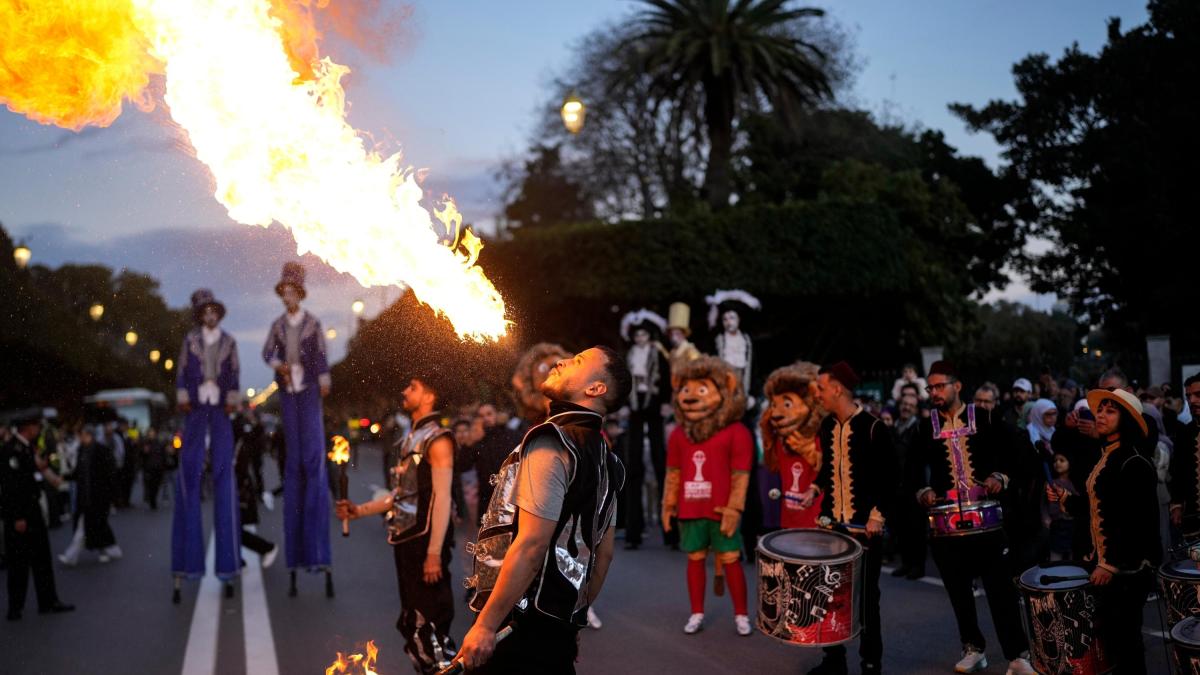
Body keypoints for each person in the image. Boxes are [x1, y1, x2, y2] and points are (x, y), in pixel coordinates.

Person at [456, 346, 629, 673]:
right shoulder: (611, 462)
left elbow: (532, 546)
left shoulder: (552, 440)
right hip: (558, 629)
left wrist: (485, 626)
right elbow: (603, 554)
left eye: (577, 361)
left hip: (521, 625)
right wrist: (572, 623)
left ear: (595, 388)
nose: (561, 361)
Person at [908, 361, 1031, 674]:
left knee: (1000, 591)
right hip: (947, 528)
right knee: (959, 593)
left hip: (987, 523)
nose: (934, 392)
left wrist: (1001, 477)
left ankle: (1018, 656)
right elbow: (908, 467)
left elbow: (1021, 451)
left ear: (957, 385)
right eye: (930, 388)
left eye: (939, 386)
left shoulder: (987, 417)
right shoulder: (924, 427)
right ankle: (973, 648)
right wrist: (922, 489)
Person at [338, 375, 456, 674]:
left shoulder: (438, 439)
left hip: (425, 541)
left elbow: (442, 499)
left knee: (430, 624)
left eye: (413, 387)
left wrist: (434, 552)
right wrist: (358, 510)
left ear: (429, 396)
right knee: (412, 621)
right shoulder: (409, 439)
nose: (404, 391)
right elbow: (399, 495)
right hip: (405, 539)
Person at [1047, 388, 1160, 674]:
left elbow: (1135, 523)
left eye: (1111, 411)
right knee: (1111, 642)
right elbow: (1095, 504)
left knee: (1127, 645)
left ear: (1127, 420)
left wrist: (1110, 565)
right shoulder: (1106, 455)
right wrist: (1064, 498)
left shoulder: (1134, 461)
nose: (1101, 415)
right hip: (1104, 564)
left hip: (1127, 571)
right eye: (1101, 409)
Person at [799, 362, 897, 675]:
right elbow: (828, 466)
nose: (819, 395)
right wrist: (815, 488)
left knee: (867, 601)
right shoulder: (828, 426)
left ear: (838, 389)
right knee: (827, 595)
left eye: (822, 389)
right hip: (833, 527)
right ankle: (834, 660)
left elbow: (890, 479)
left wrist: (877, 517)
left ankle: (870, 664)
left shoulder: (873, 427)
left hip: (865, 530)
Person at [660, 356, 753, 637]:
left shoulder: (737, 432)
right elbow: (673, 472)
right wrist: (668, 506)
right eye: (685, 389)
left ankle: (741, 614)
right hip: (690, 509)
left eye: (701, 389)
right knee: (695, 560)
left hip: (722, 509)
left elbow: (741, 476)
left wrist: (735, 510)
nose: (689, 396)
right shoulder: (678, 434)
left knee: (731, 560)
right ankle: (697, 612)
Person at [263, 262, 334, 597]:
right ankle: (297, 546)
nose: (288, 296)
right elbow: (267, 353)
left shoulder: (311, 324)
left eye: (293, 291)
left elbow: (320, 356)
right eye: (284, 292)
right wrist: (279, 365)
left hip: (306, 394)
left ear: (300, 294)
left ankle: (318, 548)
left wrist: (321, 379)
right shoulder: (278, 326)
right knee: (294, 465)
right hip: (288, 396)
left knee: (313, 461)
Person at [173, 289, 241, 599]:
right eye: (205, 312)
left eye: (213, 311)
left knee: (225, 478)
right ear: (200, 315)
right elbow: (181, 372)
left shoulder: (229, 342)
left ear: (218, 313)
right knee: (188, 475)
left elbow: (235, 373)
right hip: (198, 410)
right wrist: (184, 394)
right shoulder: (190, 341)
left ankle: (227, 568)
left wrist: (231, 398)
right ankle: (186, 564)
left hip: (220, 413)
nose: (210, 316)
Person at [1, 409, 74, 621]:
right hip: (21, 515)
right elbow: (11, 487)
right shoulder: (11, 450)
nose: (39, 430)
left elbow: (31, 474)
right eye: (36, 426)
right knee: (18, 564)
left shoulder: (25, 448)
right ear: (28, 427)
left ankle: (48, 601)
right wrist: (17, 517)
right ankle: (15, 608)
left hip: (32, 512)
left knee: (42, 558)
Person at [619, 309, 670, 550]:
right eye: (637, 335)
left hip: (655, 405)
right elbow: (624, 382)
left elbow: (668, 379)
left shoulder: (659, 354)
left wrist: (667, 403)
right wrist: (624, 405)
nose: (640, 338)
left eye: (644, 335)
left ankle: (672, 533)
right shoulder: (629, 355)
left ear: (650, 336)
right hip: (635, 407)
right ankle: (633, 533)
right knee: (634, 467)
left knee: (661, 464)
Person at [760, 362, 824, 530]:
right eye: (774, 405)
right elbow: (773, 466)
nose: (776, 413)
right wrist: (767, 437)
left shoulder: (823, 438)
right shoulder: (783, 441)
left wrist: (810, 452)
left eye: (787, 404)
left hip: (817, 524)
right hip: (789, 522)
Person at [58, 425, 121, 566]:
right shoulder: (83, 451)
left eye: (83, 435)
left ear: (89, 435)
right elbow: (78, 472)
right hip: (86, 497)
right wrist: (66, 477)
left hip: (97, 497)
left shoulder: (101, 451)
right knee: (94, 526)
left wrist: (111, 495)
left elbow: (109, 475)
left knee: (87, 527)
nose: (80, 438)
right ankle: (108, 550)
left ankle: (71, 556)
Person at [890, 393, 926, 580]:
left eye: (910, 405)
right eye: (904, 404)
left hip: (914, 486)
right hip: (897, 487)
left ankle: (917, 566)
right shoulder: (894, 427)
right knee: (901, 527)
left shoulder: (919, 428)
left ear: (915, 408)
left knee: (916, 528)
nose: (906, 407)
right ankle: (906, 563)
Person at [1169, 374, 1200, 536]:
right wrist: (1176, 504)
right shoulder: (1185, 432)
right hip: (1194, 519)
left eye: (1198, 395)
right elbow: (1178, 471)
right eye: (1188, 396)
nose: (1192, 400)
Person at [1042, 451, 1077, 561]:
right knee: (1055, 554)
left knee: (1073, 554)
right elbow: (1043, 503)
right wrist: (1046, 518)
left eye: (1062, 460)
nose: (1057, 463)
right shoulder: (1050, 483)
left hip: (1072, 524)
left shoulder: (1074, 483)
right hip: (1056, 524)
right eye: (1055, 461)